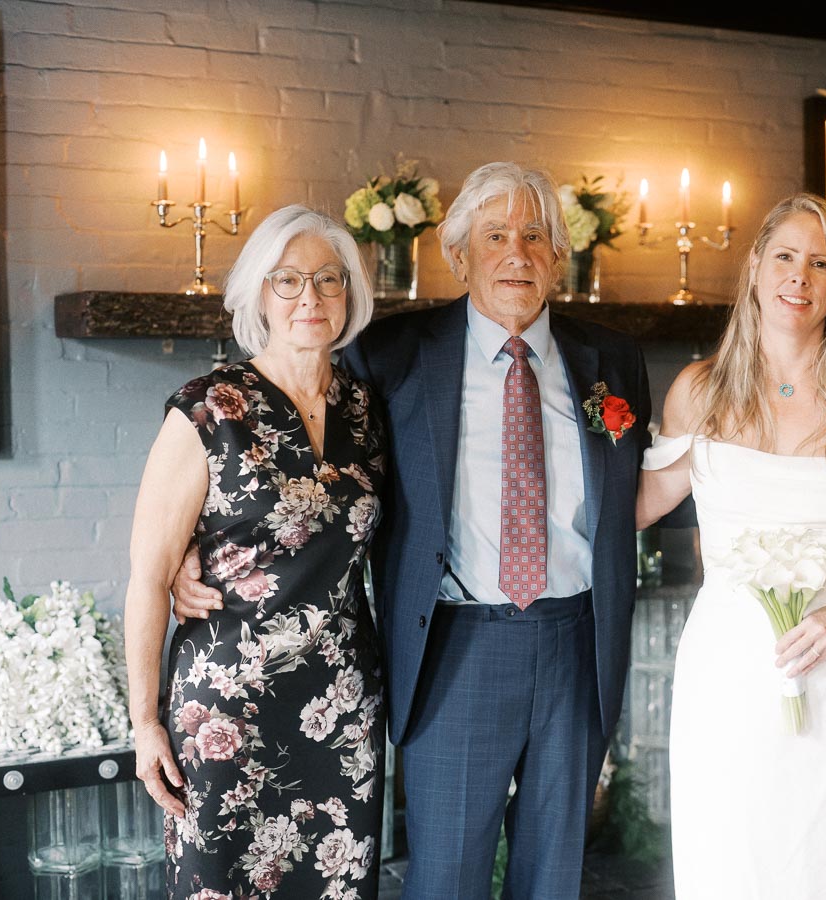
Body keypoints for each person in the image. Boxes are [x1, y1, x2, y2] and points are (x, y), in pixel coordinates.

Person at [179, 162, 651, 898]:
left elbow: (643, 486)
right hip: (454, 651)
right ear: (458, 256)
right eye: (494, 236)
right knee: (446, 880)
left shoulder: (613, 360)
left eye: (534, 236)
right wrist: (187, 551)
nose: (516, 254)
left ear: (560, 255)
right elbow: (291, 458)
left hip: (576, 643)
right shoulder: (392, 354)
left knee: (557, 876)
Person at [636, 192, 826, 899]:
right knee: (727, 863)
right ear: (757, 267)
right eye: (787, 257)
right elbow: (636, 508)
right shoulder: (699, 391)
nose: (800, 276)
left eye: (821, 263)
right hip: (729, 674)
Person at [125, 204, 387, 897]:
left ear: (350, 295)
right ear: (258, 295)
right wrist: (144, 722)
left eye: (329, 280)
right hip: (226, 712)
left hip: (341, 708)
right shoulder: (208, 410)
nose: (311, 298)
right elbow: (149, 578)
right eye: (289, 280)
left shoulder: (367, 409)